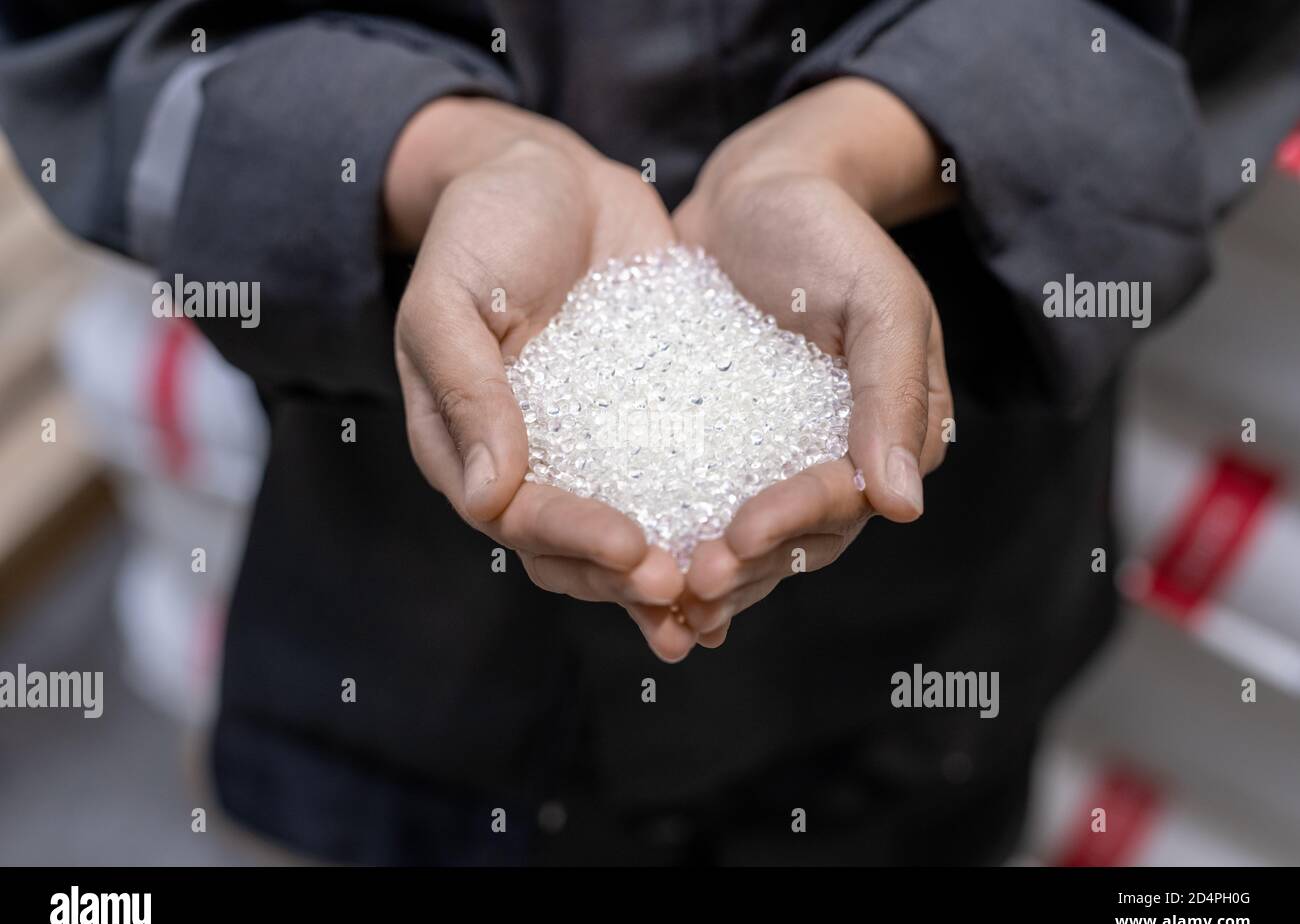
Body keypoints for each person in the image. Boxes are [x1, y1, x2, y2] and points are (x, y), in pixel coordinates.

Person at [0, 1, 1211, 864]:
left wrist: (866, 139)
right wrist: (439, 154)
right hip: (412, 654)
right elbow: (94, 40)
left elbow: (1201, 31)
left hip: (922, 655)